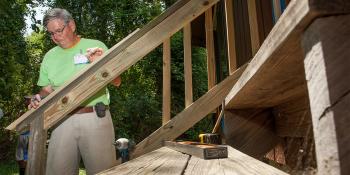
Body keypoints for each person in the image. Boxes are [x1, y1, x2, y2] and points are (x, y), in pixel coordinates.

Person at [28, 8, 121, 175]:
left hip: (95, 118)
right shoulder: (49, 56)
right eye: (51, 33)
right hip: (60, 120)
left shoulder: (96, 46)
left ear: (71, 25)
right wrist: (38, 98)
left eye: (59, 30)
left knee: (104, 171)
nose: (56, 37)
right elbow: (47, 89)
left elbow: (117, 81)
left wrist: (99, 64)